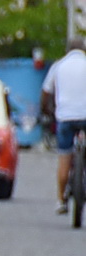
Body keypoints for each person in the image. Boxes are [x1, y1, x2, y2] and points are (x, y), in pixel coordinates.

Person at [40, 36, 86, 213]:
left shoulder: (58, 66)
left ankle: (60, 200)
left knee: (64, 158)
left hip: (65, 117)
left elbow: (46, 93)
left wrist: (47, 112)